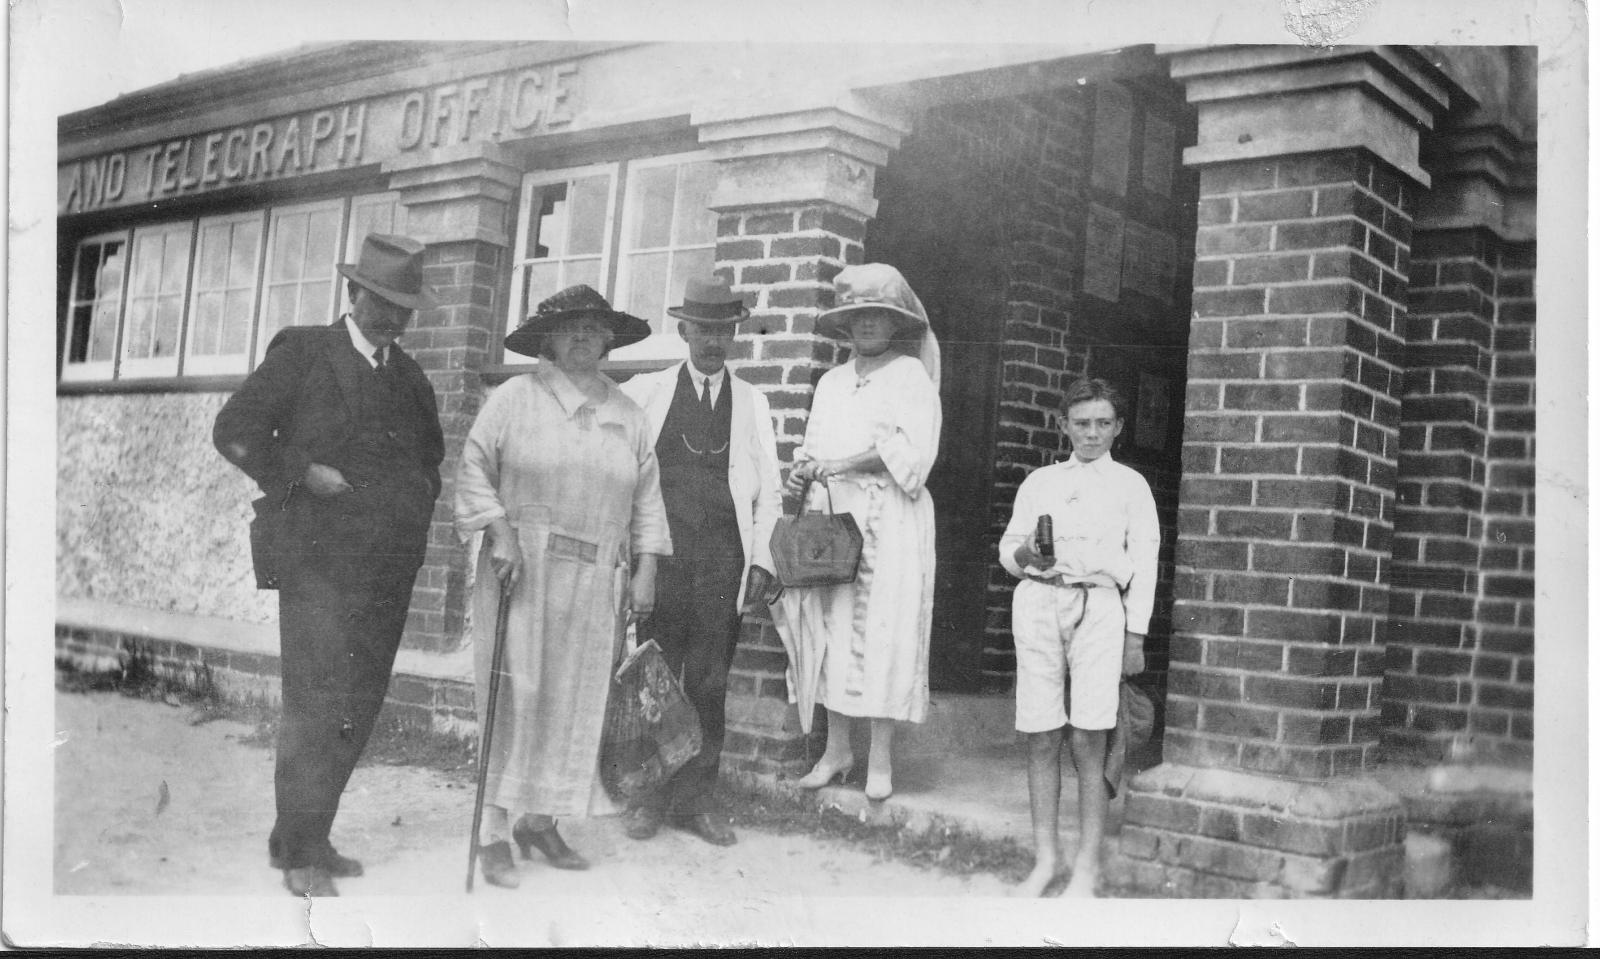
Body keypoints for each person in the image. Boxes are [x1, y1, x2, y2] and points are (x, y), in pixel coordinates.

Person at [212, 233, 445, 897]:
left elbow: (430, 460)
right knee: (315, 702)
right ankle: (299, 849)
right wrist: (301, 472)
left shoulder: (411, 378)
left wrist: (416, 511)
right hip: (318, 564)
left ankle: (314, 833)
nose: (392, 318)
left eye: (404, 308)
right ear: (353, 293)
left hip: (386, 571)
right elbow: (234, 427)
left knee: (359, 705)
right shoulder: (307, 352)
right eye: (382, 301)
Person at [454, 284, 671, 889]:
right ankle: (493, 829)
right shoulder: (513, 400)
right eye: (572, 327)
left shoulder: (627, 413)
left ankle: (541, 821)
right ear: (548, 339)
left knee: (574, 702)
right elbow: (474, 469)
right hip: (522, 570)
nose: (584, 338)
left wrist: (647, 567)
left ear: (609, 340)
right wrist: (498, 531)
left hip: (599, 577)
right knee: (516, 698)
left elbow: (647, 501)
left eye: (596, 329)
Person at [617, 275, 784, 847]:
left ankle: (697, 800)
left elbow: (771, 494)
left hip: (721, 561)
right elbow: (625, 475)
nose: (713, 341)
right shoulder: (647, 392)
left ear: (734, 333)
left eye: (723, 330)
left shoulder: (753, 403)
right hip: (662, 557)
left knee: (709, 684)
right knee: (654, 679)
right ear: (684, 329)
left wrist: (761, 560)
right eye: (703, 329)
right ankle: (648, 797)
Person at [770, 263, 942, 802]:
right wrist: (805, 468)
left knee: (884, 631)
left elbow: (911, 455)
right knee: (833, 629)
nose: (868, 325)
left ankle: (880, 758)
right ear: (845, 325)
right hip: (835, 518)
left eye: (879, 316)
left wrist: (840, 463)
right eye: (858, 316)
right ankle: (836, 749)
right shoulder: (831, 382)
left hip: (890, 518)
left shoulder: (912, 376)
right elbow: (814, 446)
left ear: (895, 323)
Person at [999, 377, 1160, 898]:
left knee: (1090, 735)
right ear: (1063, 424)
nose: (1091, 433)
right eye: (1082, 423)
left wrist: (1136, 636)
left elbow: (1146, 565)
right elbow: (1009, 552)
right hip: (1040, 600)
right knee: (1042, 733)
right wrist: (1027, 555)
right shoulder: (1039, 482)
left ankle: (1087, 866)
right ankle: (1046, 859)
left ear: (1118, 428)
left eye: (1103, 423)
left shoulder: (1131, 485)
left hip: (1100, 607)